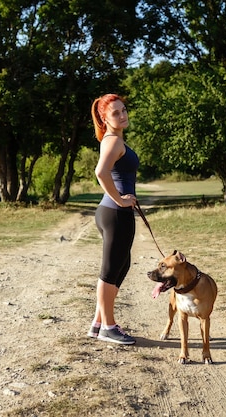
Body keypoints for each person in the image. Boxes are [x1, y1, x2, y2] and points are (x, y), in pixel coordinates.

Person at [87, 93, 138, 345]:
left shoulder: (114, 139)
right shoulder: (113, 142)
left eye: (124, 109)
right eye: (115, 112)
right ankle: (108, 327)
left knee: (121, 266)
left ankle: (98, 323)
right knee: (109, 271)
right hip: (115, 213)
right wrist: (120, 199)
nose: (122, 115)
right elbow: (100, 172)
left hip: (114, 213)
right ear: (104, 118)